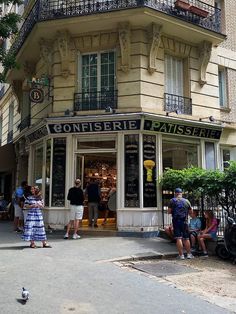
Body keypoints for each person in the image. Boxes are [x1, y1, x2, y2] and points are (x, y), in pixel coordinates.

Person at [168, 188, 194, 260]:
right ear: (181, 193)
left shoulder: (172, 201)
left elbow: (169, 212)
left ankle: (181, 255)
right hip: (185, 221)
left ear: (175, 193)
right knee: (186, 238)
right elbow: (191, 212)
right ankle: (189, 254)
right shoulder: (186, 201)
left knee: (178, 238)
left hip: (176, 221)